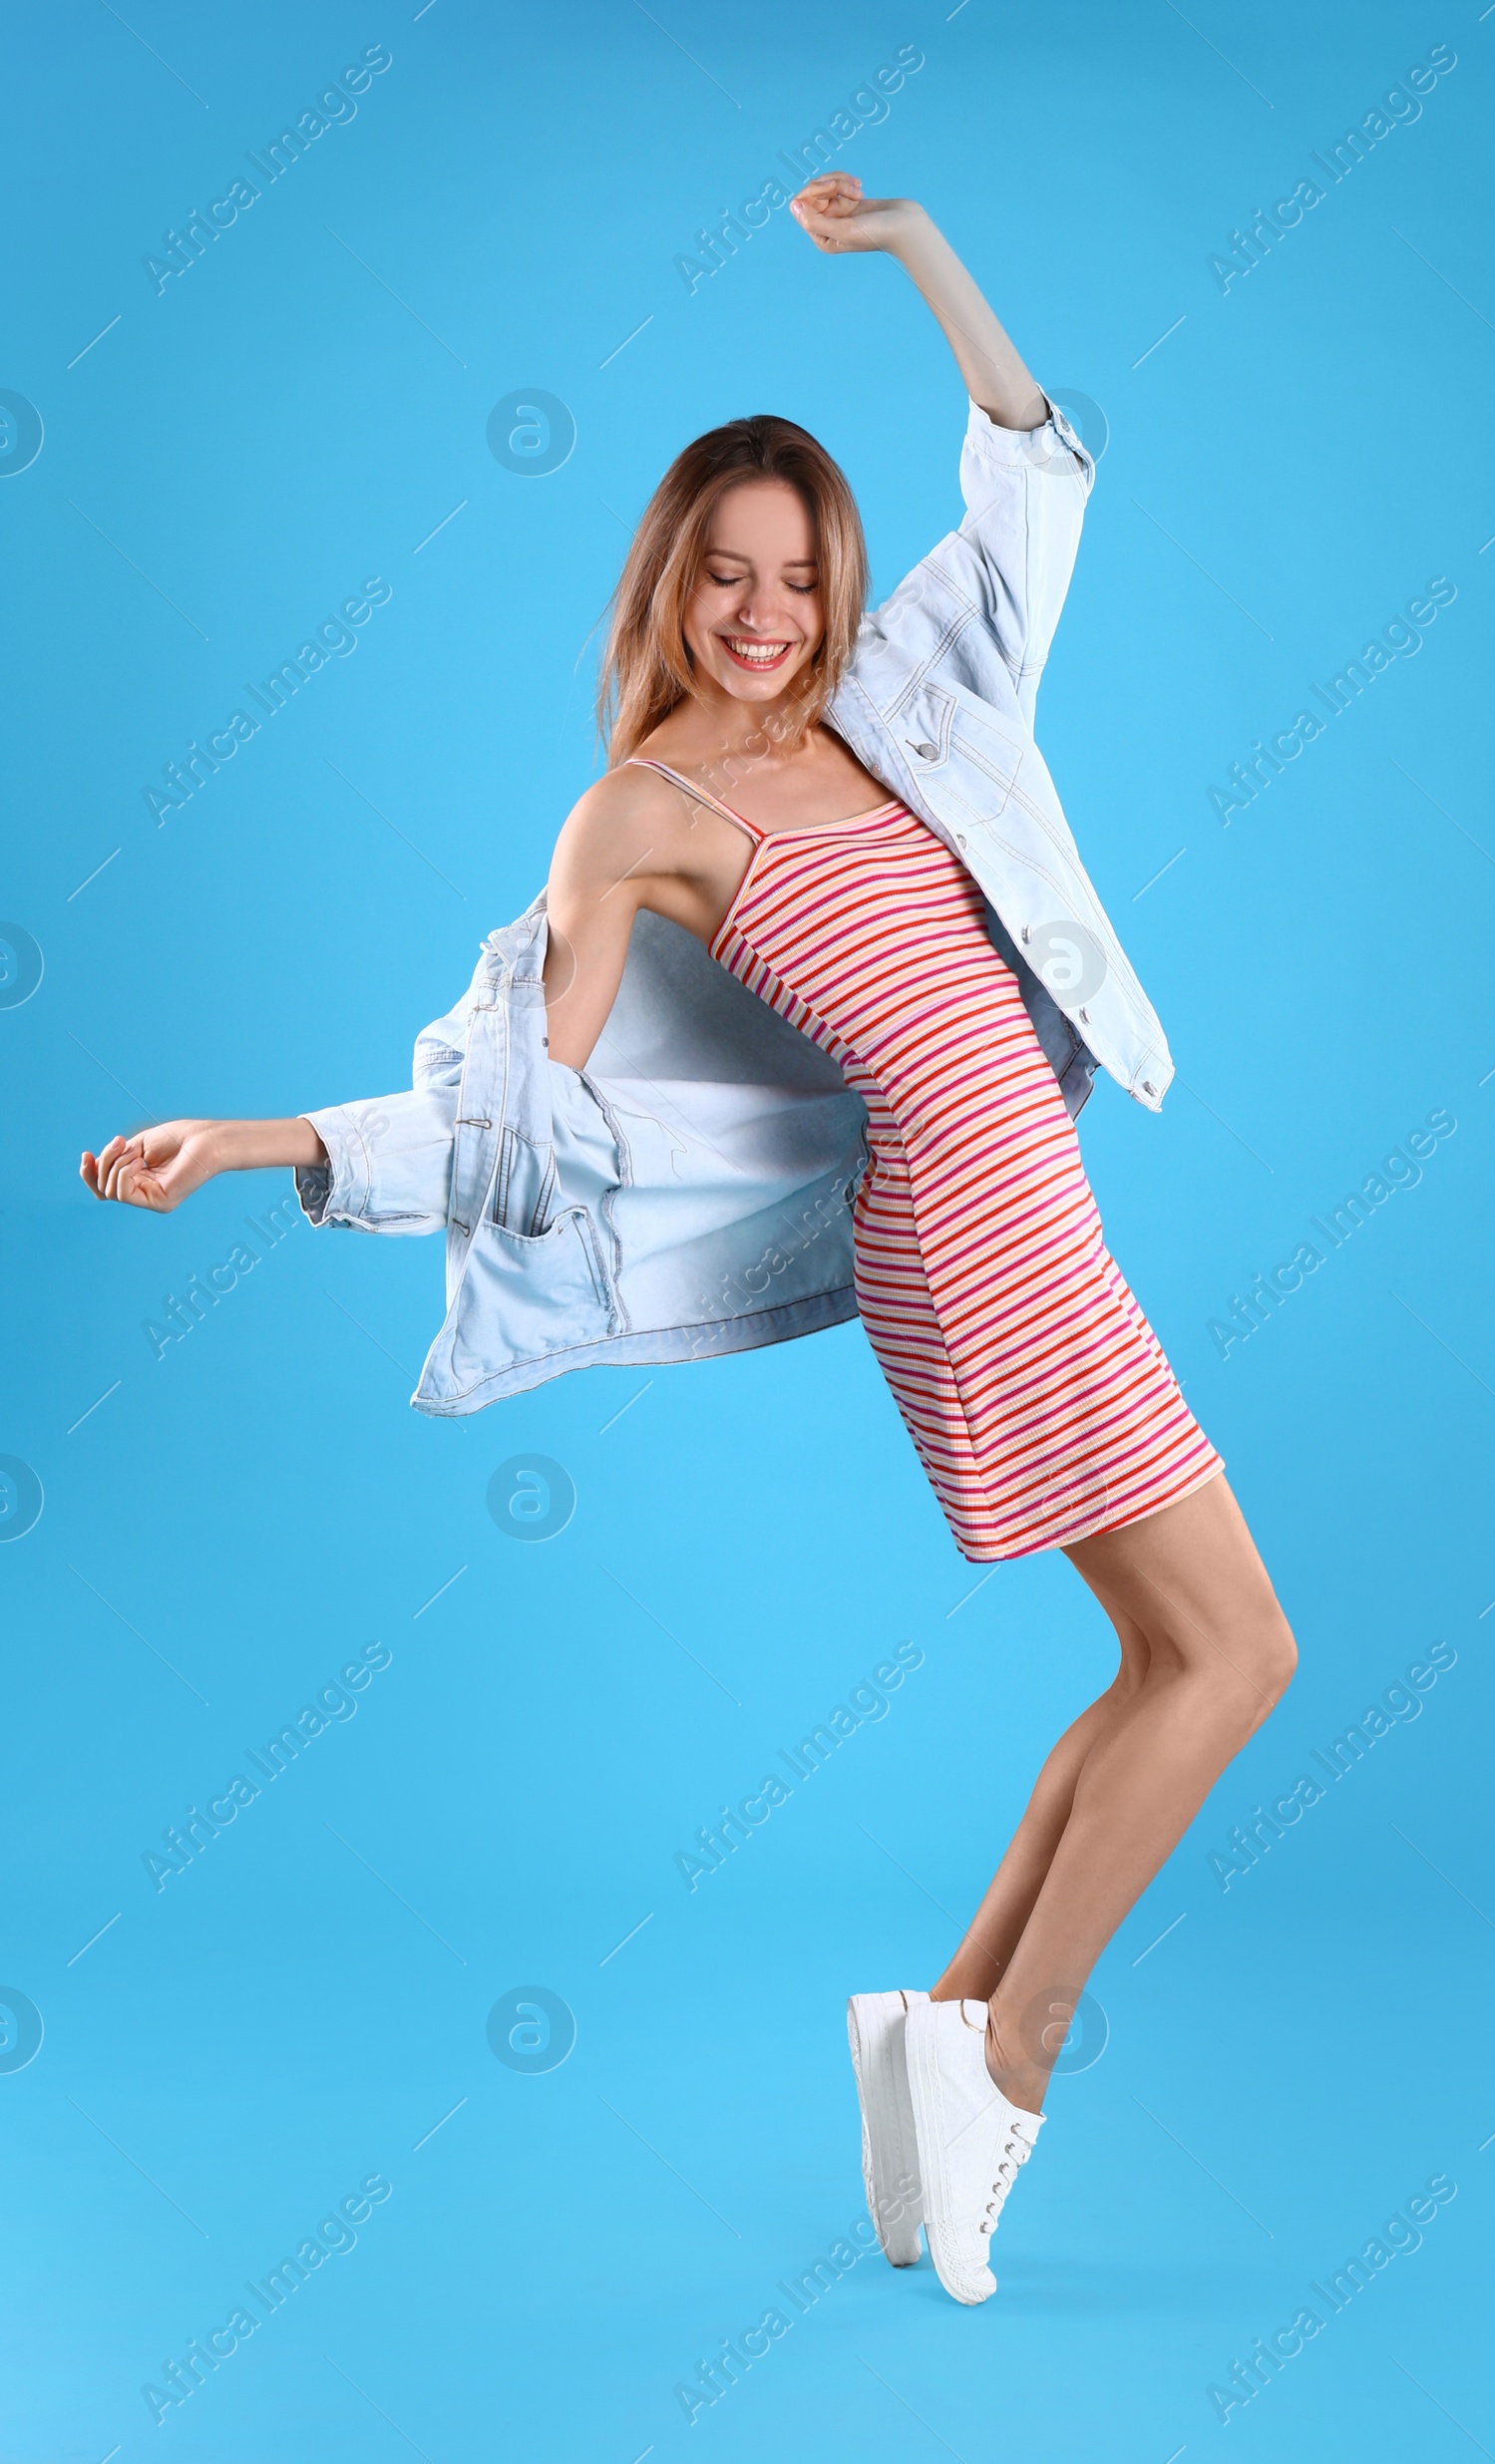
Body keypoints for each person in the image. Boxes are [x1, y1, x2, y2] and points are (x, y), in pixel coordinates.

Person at [81, 176, 1296, 2307]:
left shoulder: (901, 697)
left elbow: (1027, 479)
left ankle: (930, 2028)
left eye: (795, 571)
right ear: (670, 583)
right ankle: (1002, 2064)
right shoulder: (640, 814)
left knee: (1159, 1659)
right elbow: (521, 1126)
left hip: (1041, 1207)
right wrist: (268, 1142)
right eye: (725, 578)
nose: (763, 612)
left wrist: (920, 253)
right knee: (1235, 1655)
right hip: (968, 1241)